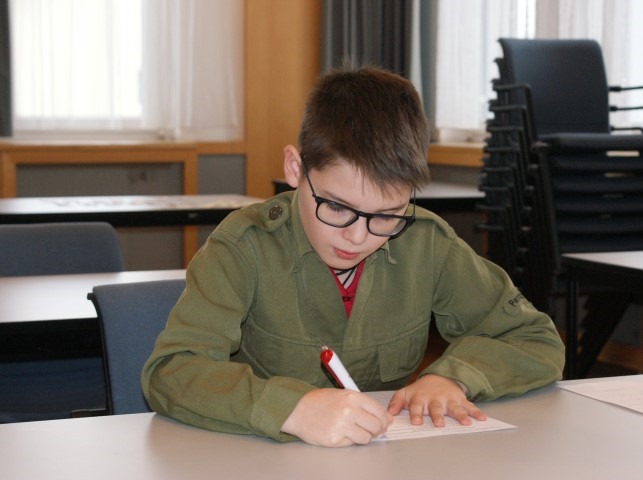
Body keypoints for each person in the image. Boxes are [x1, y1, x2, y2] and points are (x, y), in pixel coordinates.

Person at [141, 63, 565, 447]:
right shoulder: (243, 246)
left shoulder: (427, 243)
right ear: (295, 169)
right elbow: (172, 371)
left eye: (387, 214)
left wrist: (452, 378)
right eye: (336, 207)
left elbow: (534, 339)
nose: (358, 236)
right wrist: (293, 409)